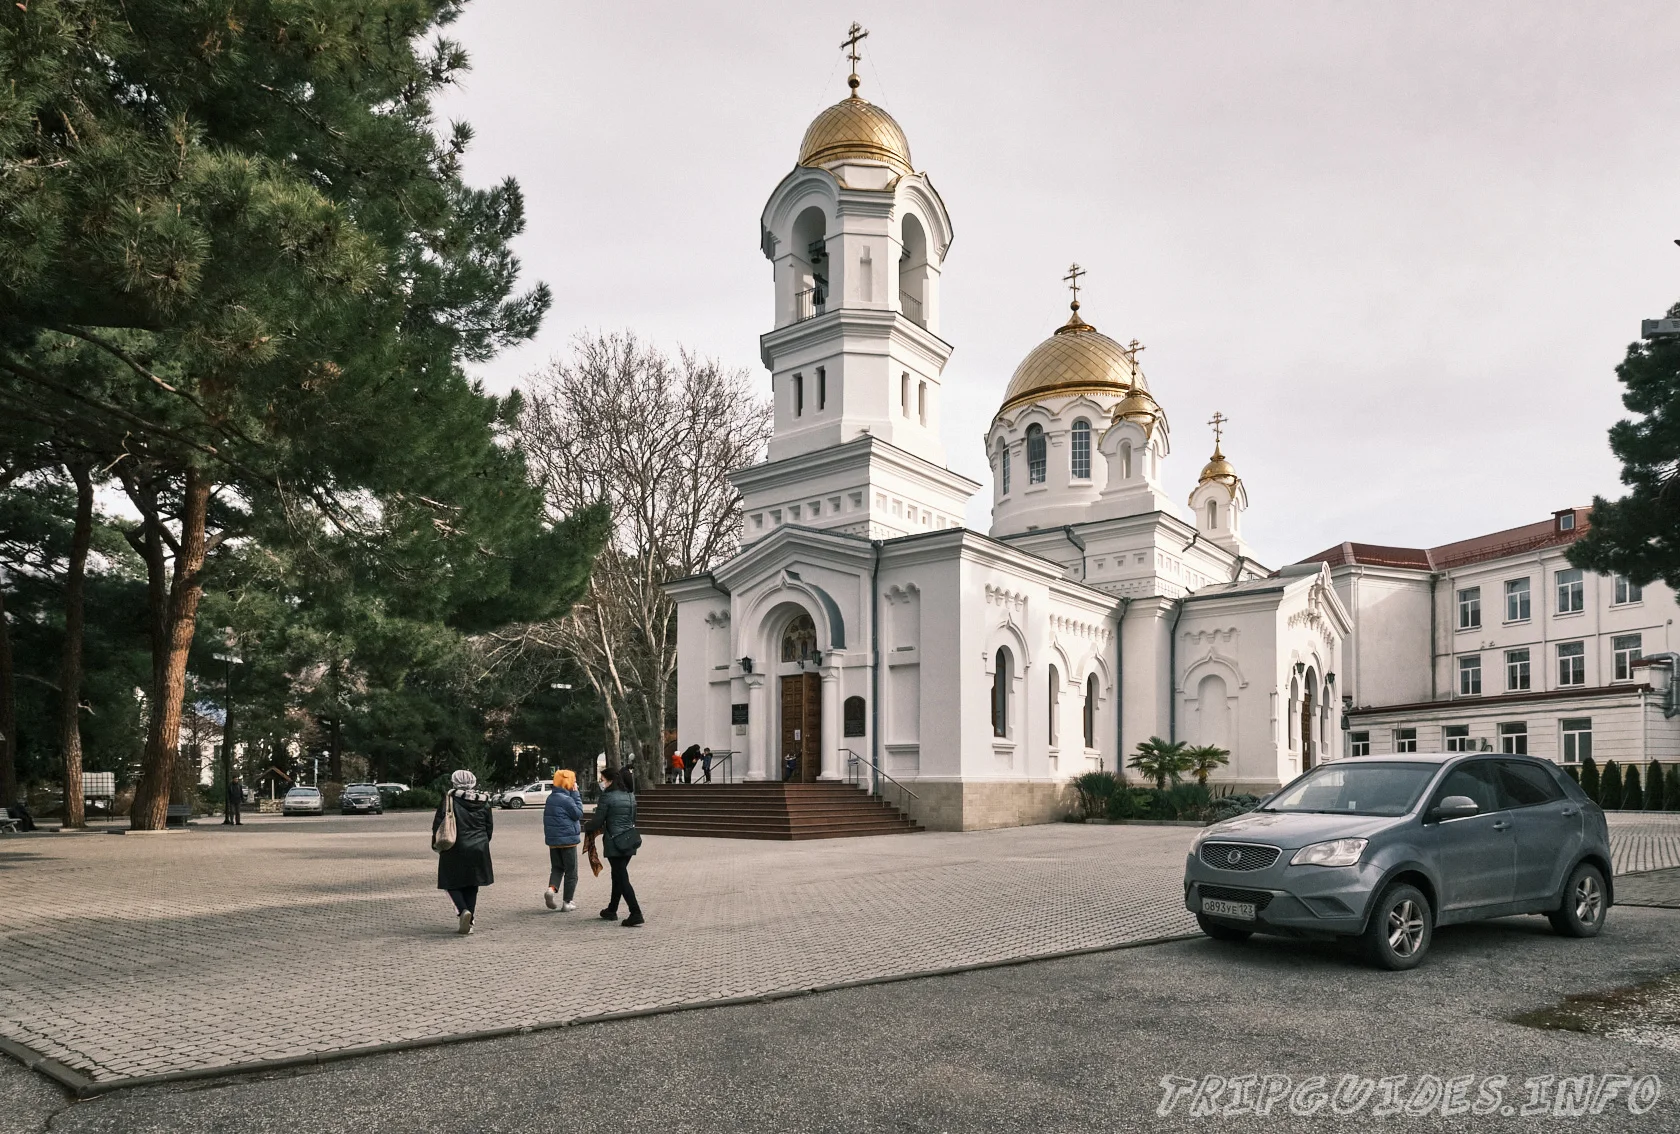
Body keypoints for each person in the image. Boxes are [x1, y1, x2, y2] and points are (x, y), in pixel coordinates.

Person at [433, 769, 495, 935]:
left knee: (450, 882)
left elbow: (439, 823)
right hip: (479, 848)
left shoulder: (449, 799)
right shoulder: (485, 801)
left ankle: (463, 911)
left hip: (454, 846)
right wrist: (482, 842)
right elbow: (489, 827)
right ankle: (471, 921)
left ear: (454, 782)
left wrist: (436, 844)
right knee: (472, 885)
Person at [584, 766, 643, 927]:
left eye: (602, 780)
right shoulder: (630, 796)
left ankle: (635, 912)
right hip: (629, 840)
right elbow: (633, 818)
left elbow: (598, 820)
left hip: (614, 842)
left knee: (621, 878)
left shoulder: (607, 797)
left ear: (610, 781)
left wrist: (586, 826)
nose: (601, 783)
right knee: (618, 875)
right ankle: (612, 909)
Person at [543, 769, 583, 911]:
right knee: (571, 871)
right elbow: (578, 813)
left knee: (557, 868)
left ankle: (551, 889)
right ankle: (567, 902)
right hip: (568, 841)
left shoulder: (551, 798)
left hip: (553, 841)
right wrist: (576, 794)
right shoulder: (567, 799)